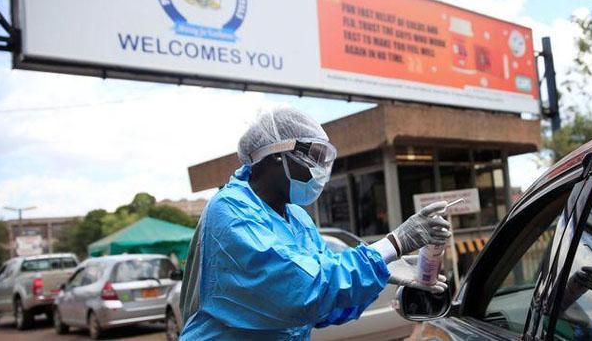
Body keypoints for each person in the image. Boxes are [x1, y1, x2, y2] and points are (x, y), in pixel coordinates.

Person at [179, 105, 452, 340]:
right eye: (315, 157)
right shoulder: (230, 211)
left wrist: (381, 272)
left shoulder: (297, 218)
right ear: (277, 155)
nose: (320, 171)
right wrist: (393, 244)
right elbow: (301, 290)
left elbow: (322, 305)